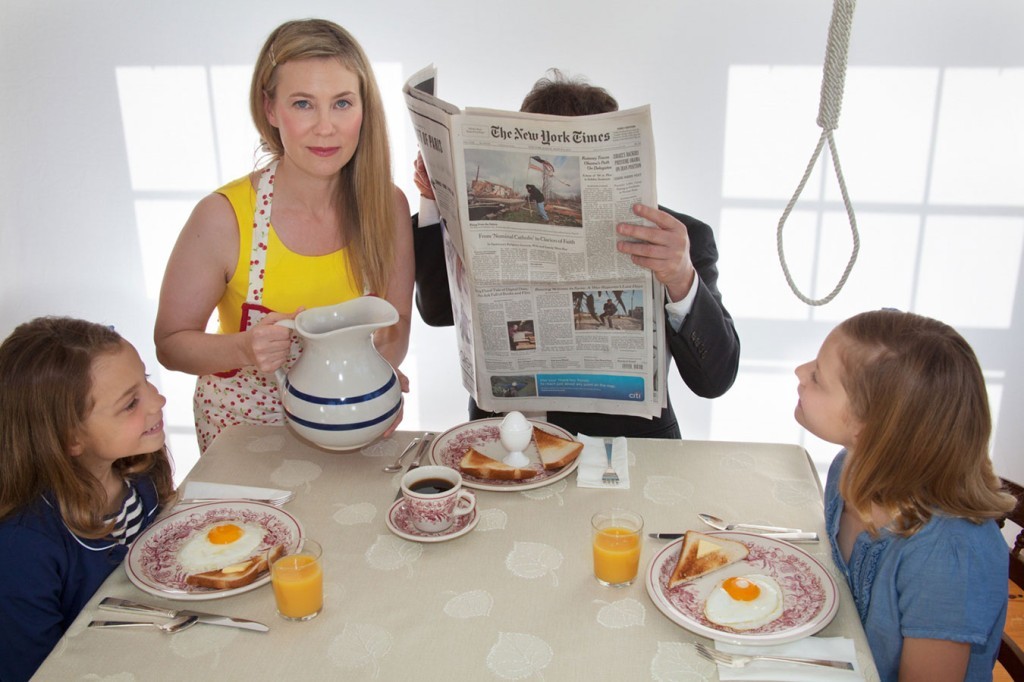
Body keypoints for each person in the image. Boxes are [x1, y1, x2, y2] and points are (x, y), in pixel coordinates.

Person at [412, 70, 740, 438]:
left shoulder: (679, 240)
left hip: (628, 449)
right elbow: (436, 311)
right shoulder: (482, 223)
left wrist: (682, 279)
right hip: (506, 444)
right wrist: (432, 201)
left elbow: (715, 380)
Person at [154, 19, 414, 453]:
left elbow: (397, 323)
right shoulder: (223, 217)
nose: (326, 127)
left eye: (342, 103)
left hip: (350, 429)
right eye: (303, 104)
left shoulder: (388, 207)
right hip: (243, 438)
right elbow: (170, 344)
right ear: (270, 109)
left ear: (364, 109)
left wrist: (373, 385)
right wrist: (244, 349)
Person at [794, 309, 1014, 681]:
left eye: (817, 376)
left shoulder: (946, 557)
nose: (800, 371)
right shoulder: (849, 466)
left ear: (869, 427)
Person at [0, 317, 175, 682]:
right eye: (130, 403)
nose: (158, 400)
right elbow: (30, 670)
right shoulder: (22, 546)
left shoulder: (140, 471)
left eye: (146, 380)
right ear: (71, 439)